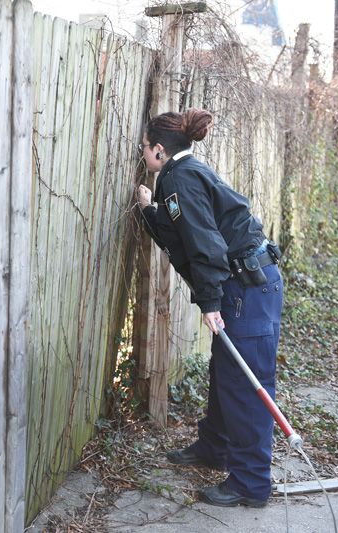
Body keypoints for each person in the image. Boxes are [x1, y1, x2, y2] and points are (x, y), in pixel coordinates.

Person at [135, 108, 284, 508]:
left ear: (160, 150)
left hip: (247, 288)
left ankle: (250, 484)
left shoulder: (181, 179)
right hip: (245, 282)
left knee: (246, 385)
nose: (143, 153)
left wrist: (211, 302)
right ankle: (214, 448)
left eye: (145, 147)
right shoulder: (181, 175)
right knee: (226, 373)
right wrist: (150, 210)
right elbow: (183, 231)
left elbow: (205, 245)